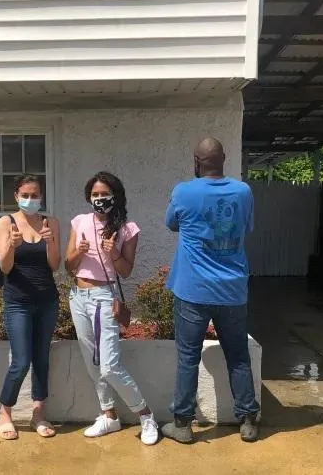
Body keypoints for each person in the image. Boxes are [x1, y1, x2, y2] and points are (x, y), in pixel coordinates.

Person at [162, 138, 260, 444]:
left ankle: (182, 424)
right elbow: (246, 227)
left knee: (187, 358)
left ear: (196, 161)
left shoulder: (183, 192)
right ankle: (247, 421)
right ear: (224, 159)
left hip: (193, 290)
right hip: (232, 290)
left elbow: (171, 223)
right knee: (238, 356)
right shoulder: (243, 192)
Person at [64, 171, 159, 446]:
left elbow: (126, 271)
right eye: (95, 194)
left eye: (104, 194)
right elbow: (68, 266)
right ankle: (109, 415)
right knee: (92, 362)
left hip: (103, 298)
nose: (99, 198)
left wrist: (113, 252)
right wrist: (79, 251)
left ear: (115, 196)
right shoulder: (79, 222)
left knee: (109, 366)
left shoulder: (127, 229)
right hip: (78, 296)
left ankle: (146, 415)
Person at [0, 174, 61, 440]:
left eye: (35, 195)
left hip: (47, 301)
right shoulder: (6, 223)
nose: (30, 200)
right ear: (16, 196)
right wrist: (12, 245)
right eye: (25, 195)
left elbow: (55, 265)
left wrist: (50, 242)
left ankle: (38, 413)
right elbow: (4, 267)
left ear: (41, 196)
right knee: (21, 361)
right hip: (18, 302)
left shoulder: (50, 223)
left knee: (41, 358)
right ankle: (4, 412)